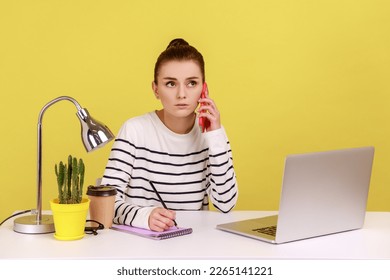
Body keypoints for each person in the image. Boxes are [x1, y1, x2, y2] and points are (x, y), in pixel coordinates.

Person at [101, 38, 238, 232]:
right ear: (156, 89)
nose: (182, 94)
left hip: (194, 244)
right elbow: (105, 203)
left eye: (191, 83)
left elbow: (226, 203)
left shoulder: (211, 136)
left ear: (203, 89)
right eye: (171, 84)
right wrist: (144, 216)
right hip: (139, 244)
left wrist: (215, 135)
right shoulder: (134, 130)